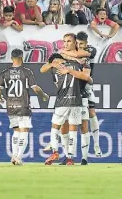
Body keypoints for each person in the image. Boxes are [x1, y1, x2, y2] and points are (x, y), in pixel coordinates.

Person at [40, 34, 93, 165]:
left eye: (69, 41)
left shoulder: (83, 59)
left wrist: (64, 66)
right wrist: (56, 62)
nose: (65, 44)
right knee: (70, 128)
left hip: (75, 98)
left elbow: (87, 77)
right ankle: (69, 157)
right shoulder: (63, 59)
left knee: (72, 127)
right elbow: (44, 68)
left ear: (75, 43)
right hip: (76, 98)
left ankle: (59, 152)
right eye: (64, 41)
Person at [0, 48, 49, 165]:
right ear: (22, 58)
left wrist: (0, 97)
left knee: (16, 131)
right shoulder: (26, 72)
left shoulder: (5, 72)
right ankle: (19, 157)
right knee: (24, 131)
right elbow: (35, 88)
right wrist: (44, 95)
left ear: (11, 58)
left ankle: (14, 156)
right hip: (23, 105)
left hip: (11, 106)